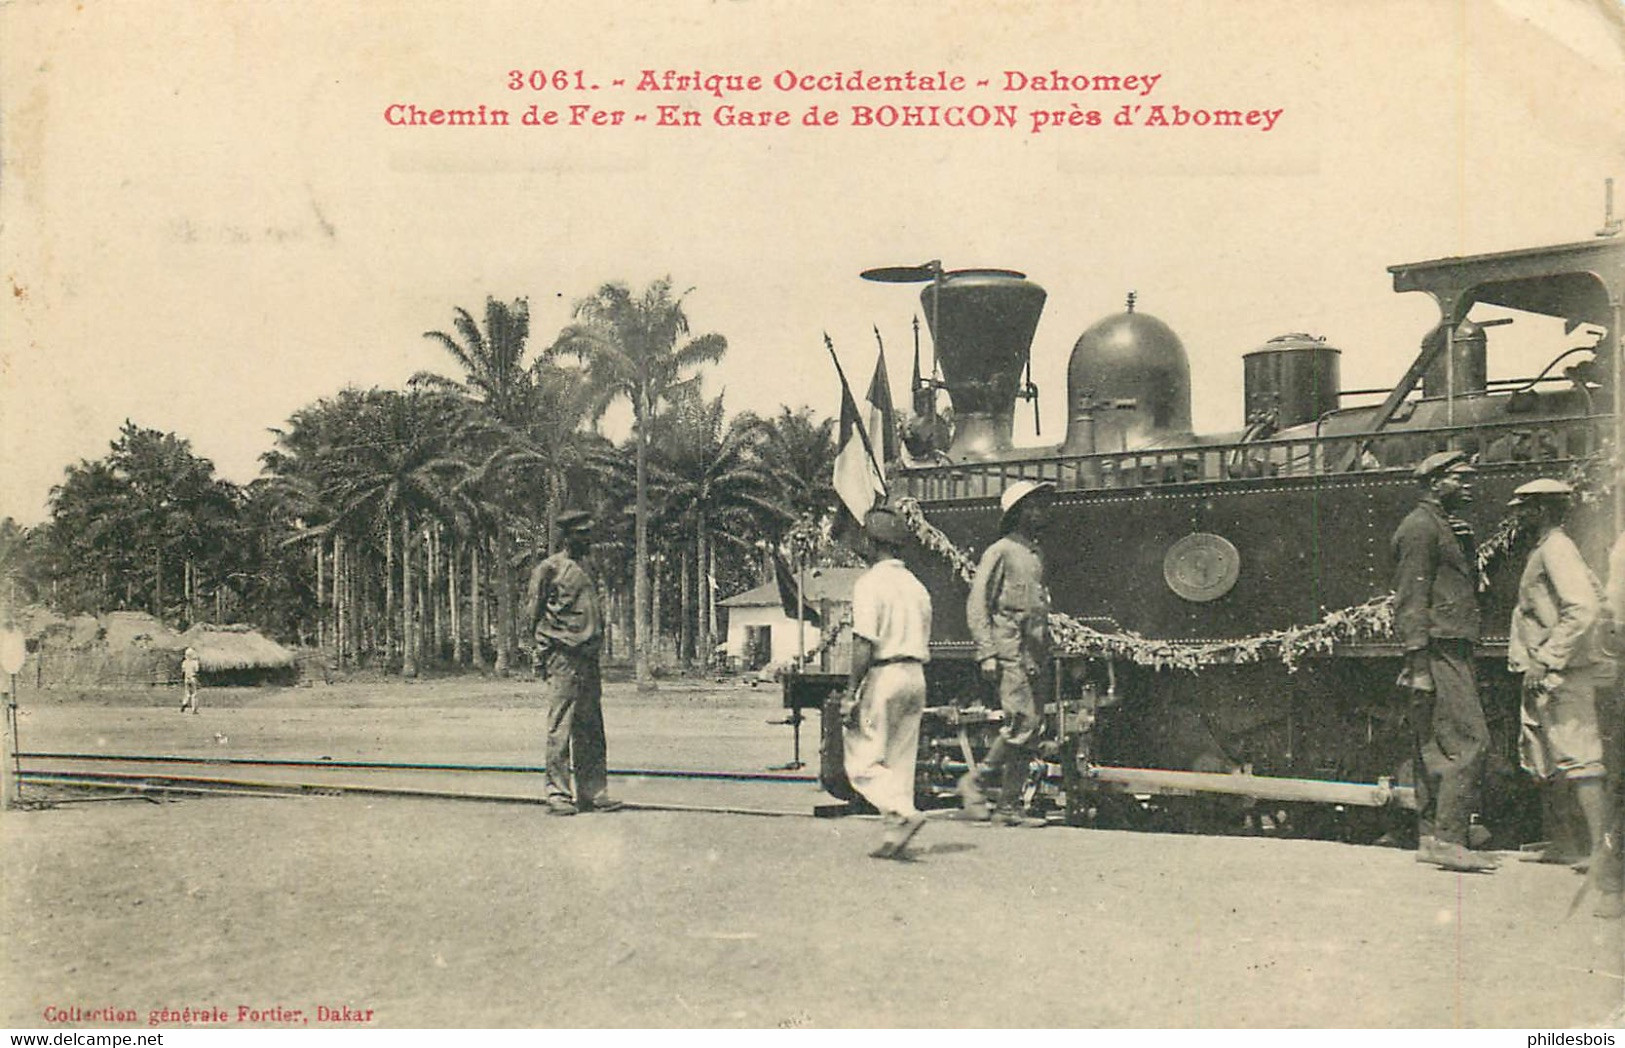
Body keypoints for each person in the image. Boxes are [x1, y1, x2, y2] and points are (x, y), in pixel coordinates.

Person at [1506, 478, 1621, 916]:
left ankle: (1602, 855)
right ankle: (1566, 843)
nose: (1517, 515)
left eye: (1524, 508)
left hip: (1561, 673)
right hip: (1556, 669)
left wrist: (1550, 656)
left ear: (1541, 510)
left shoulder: (1555, 548)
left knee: (1581, 757)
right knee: (1552, 753)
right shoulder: (1555, 546)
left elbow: (1584, 608)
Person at [1391, 450, 1497, 872]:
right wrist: (1418, 665)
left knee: (1436, 746)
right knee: (1471, 741)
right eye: (1460, 478)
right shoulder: (1420, 528)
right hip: (1438, 647)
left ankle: (1432, 835)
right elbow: (1411, 601)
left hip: (1447, 645)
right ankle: (1449, 839)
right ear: (1436, 483)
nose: (1469, 485)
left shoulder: (1440, 526)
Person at [960, 479, 1055, 828]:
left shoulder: (1034, 554)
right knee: (1022, 722)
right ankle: (977, 781)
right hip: (1008, 651)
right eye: (1034, 506)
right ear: (1018, 513)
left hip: (1033, 655)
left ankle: (1008, 808)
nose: (1042, 512)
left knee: (1031, 728)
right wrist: (986, 652)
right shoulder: (1000, 551)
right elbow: (977, 603)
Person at [841, 504, 934, 860]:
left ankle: (902, 812)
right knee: (900, 760)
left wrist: (852, 691)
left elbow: (864, 640)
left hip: (885, 674)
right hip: (916, 674)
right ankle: (895, 835)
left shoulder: (870, 584)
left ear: (870, 542)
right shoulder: (917, 586)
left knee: (861, 759)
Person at [526, 509, 620, 817]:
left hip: (588, 657)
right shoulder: (549, 568)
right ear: (568, 536)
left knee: (591, 727)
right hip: (562, 655)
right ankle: (558, 794)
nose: (588, 539)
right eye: (582, 534)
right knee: (561, 727)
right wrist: (540, 654)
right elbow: (534, 613)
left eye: (590, 533)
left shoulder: (589, 566)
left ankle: (593, 792)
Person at [179, 647, 201, 714]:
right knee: (194, 694)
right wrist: (198, 681)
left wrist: (183, 679)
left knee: (187, 693)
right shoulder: (195, 662)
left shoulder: (184, 662)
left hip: (186, 679)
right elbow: (197, 671)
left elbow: (183, 672)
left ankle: (184, 703)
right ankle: (194, 710)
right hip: (193, 678)